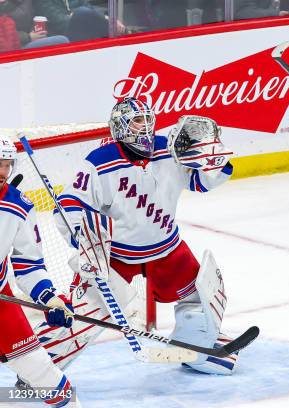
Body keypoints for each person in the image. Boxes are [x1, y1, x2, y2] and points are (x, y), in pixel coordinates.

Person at [31, 99, 239, 375]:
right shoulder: (99, 162)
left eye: (148, 120)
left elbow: (200, 182)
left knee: (202, 297)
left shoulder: (170, 149)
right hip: (117, 257)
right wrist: (84, 238)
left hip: (167, 249)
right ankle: (40, 371)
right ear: (120, 127)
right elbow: (71, 203)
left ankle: (198, 352)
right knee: (84, 315)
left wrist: (216, 162)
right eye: (137, 121)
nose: (146, 128)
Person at [0, 136, 78, 407]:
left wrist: (50, 298)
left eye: (7, 164)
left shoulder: (18, 205)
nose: (3, 171)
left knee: (57, 390)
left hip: (1, 305)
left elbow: (27, 264)